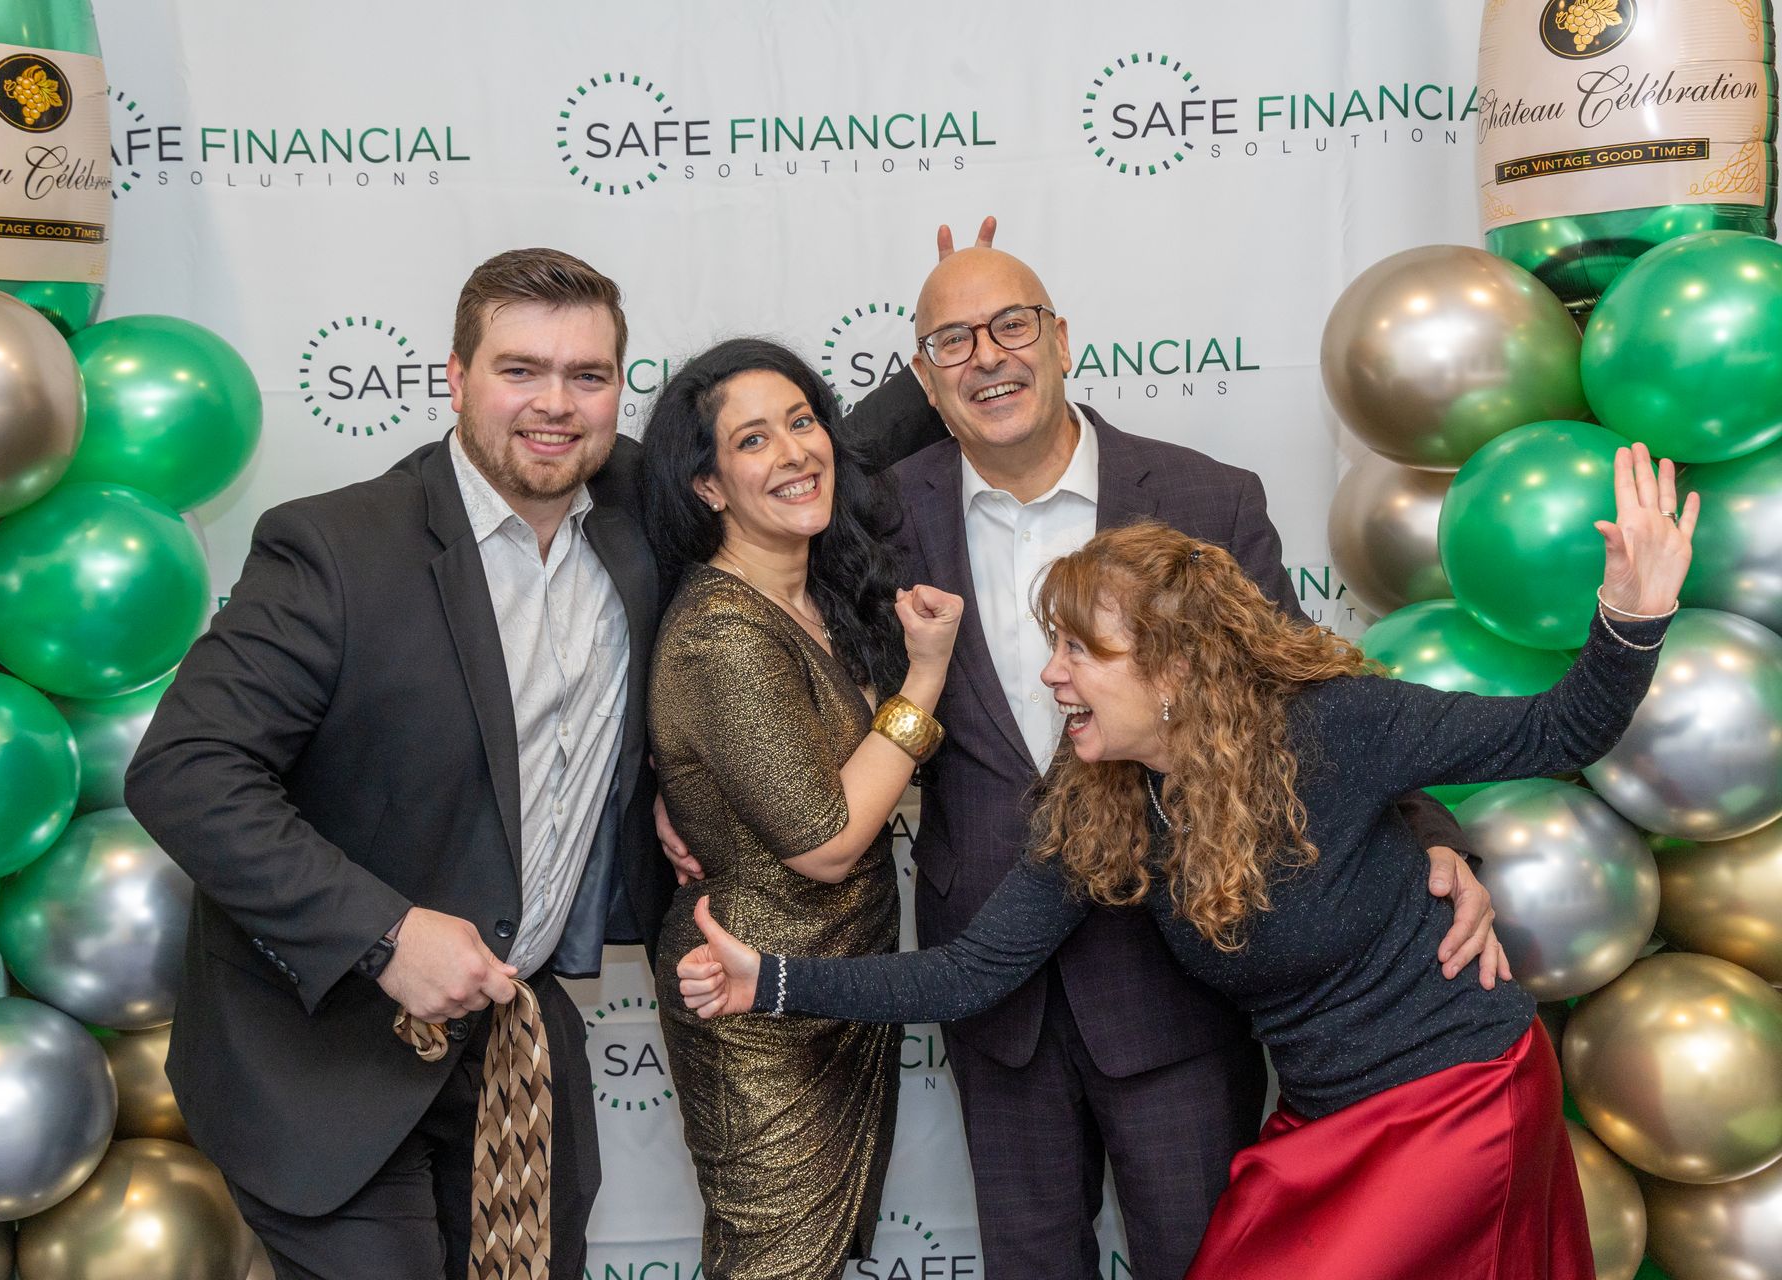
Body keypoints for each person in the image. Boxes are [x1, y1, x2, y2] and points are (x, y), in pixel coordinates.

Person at [683, 232, 1496, 1280]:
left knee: (1202, 1259)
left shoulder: (1206, 499)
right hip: (991, 979)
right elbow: (721, 577)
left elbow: (1312, 693)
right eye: (954, 343)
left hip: (1173, 977)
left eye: (1013, 325)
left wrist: (1432, 837)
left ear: (1062, 339)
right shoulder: (872, 515)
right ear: (923, 379)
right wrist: (684, 791)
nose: (990, 359)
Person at [678, 443, 1695, 1279]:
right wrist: (766, 977)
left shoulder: (1334, 724)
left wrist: (1632, 615)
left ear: (1170, 669)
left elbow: (1557, 731)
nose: (1051, 673)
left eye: (1079, 651)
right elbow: (973, 969)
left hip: (1451, 1094)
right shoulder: (1104, 800)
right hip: (1323, 1119)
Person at [124, 248, 674, 1280]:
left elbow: (794, 449)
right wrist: (385, 934)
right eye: (520, 369)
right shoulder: (335, 548)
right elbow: (186, 767)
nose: (554, 404)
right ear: (456, 378)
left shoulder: (640, 523)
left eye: (588, 376)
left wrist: (947, 369)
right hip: (325, 1060)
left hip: (515, 1052)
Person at [638, 338, 963, 1277]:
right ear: (707, 487)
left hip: (841, 982)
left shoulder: (814, 592)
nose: (794, 453)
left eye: (802, 421)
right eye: (752, 441)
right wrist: (927, 677)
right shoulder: (722, 635)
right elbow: (825, 842)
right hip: (753, 999)